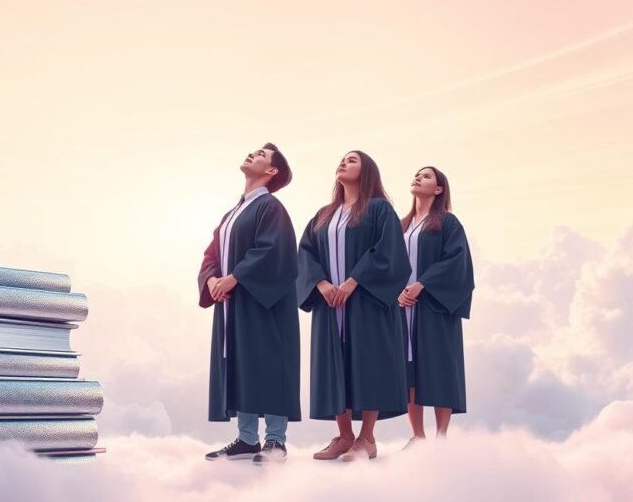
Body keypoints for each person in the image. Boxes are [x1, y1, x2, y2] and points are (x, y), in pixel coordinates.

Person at [296, 150, 410, 462]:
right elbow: (305, 252)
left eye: (352, 160)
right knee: (334, 366)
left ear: (367, 171)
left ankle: (367, 438)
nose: (343, 162)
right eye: (342, 159)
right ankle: (345, 436)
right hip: (329, 304)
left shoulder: (378, 209)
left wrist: (352, 282)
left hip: (366, 301)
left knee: (368, 362)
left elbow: (388, 252)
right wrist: (320, 284)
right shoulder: (324, 214)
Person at [198, 143, 300, 464]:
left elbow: (273, 251)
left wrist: (236, 277)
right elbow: (212, 253)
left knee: (268, 363)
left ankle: (275, 441)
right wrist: (213, 279)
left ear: (271, 172)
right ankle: (246, 439)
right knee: (240, 361)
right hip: (233, 303)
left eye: (261, 155)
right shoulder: (232, 213)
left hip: (262, 302)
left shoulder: (271, 208)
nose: (252, 154)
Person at [398, 166, 474, 447]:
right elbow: (388, 263)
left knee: (439, 368)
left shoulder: (447, 222)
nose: (418, 177)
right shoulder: (401, 225)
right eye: (416, 174)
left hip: (435, 306)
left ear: (439, 189)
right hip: (403, 307)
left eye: (427, 176)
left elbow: (457, 261)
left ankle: (441, 437)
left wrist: (422, 284)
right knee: (409, 370)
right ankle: (417, 436)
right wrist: (398, 293)